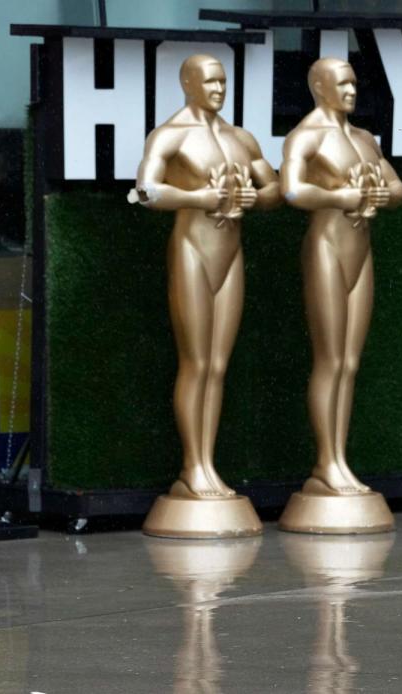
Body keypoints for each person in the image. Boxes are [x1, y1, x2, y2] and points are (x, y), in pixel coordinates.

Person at [135, 54, 280, 499]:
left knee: (217, 365)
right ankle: (192, 466)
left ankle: (207, 465)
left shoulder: (240, 138)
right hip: (192, 250)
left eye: (223, 81)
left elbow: (275, 189)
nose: (218, 88)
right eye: (210, 81)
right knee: (195, 362)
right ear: (188, 82)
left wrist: (249, 197)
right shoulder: (171, 134)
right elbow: (146, 189)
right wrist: (200, 195)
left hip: (230, 252)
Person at [281, 58, 402, 495]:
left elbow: (399, 189)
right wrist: (344, 193)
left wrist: (379, 192)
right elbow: (292, 189)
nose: (352, 90)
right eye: (342, 82)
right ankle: (325, 462)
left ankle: (339, 459)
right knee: (330, 359)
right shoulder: (306, 136)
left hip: (360, 250)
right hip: (326, 248)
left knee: (349, 363)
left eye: (354, 82)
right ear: (319, 86)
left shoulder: (364, 139)